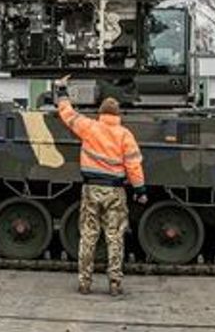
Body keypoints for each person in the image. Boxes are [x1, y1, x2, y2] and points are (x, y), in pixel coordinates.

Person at [54, 77, 146, 296]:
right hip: (115, 191)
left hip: (91, 189)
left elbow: (67, 114)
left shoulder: (90, 127)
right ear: (118, 115)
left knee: (88, 235)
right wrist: (140, 190)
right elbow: (133, 165)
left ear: (101, 113)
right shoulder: (125, 135)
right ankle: (114, 283)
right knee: (114, 237)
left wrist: (62, 90)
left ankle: (85, 282)